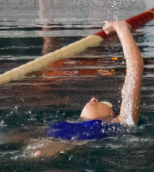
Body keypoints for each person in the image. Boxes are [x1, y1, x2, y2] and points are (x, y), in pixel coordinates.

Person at [30, 20, 141, 157]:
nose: (93, 98)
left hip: (49, 154)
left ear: (113, 115)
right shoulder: (61, 125)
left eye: (105, 103)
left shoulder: (120, 123)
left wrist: (122, 28)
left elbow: (135, 66)